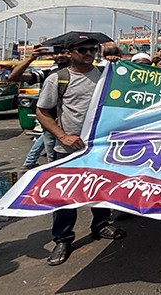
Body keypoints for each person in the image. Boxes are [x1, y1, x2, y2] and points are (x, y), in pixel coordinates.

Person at [35, 34, 126, 266]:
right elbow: (42, 112)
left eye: (92, 49)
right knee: (66, 196)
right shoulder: (58, 79)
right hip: (68, 148)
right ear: (69, 53)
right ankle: (62, 239)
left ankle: (101, 224)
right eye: (82, 50)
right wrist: (63, 136)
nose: (89, 54)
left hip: (101, 146)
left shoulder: (106, 75)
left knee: (101, 188)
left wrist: (119, 63)